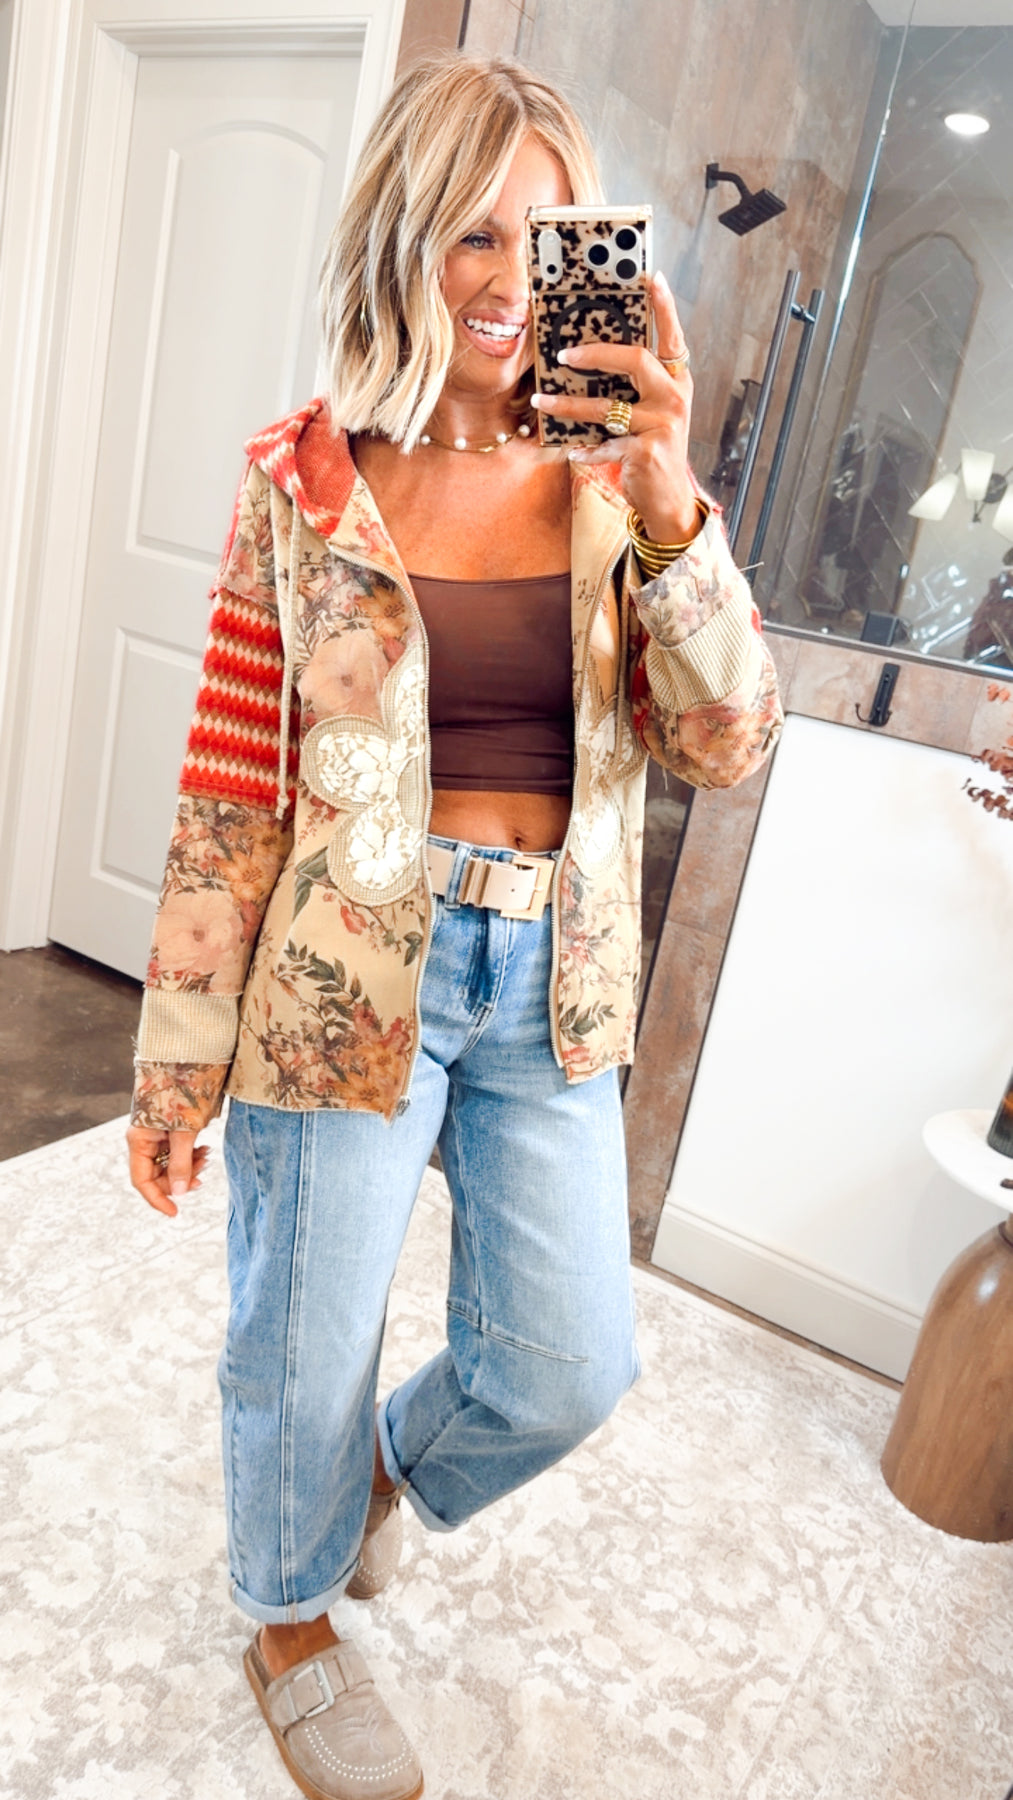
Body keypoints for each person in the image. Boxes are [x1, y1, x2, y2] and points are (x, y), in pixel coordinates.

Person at [126, 52, 783, 1800]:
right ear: (401, 239)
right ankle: (287, 1619)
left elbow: (727, 742)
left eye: (544, 235)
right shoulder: (304, 483)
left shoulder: (616, 487)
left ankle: (373, 1478)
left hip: (548, 985)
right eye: (468, 232)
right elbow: (231, 788)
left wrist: (671, 500)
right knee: (298, 1342)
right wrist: (177, 1066)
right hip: (339, 979)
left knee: (568, 1362)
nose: (506, 279)